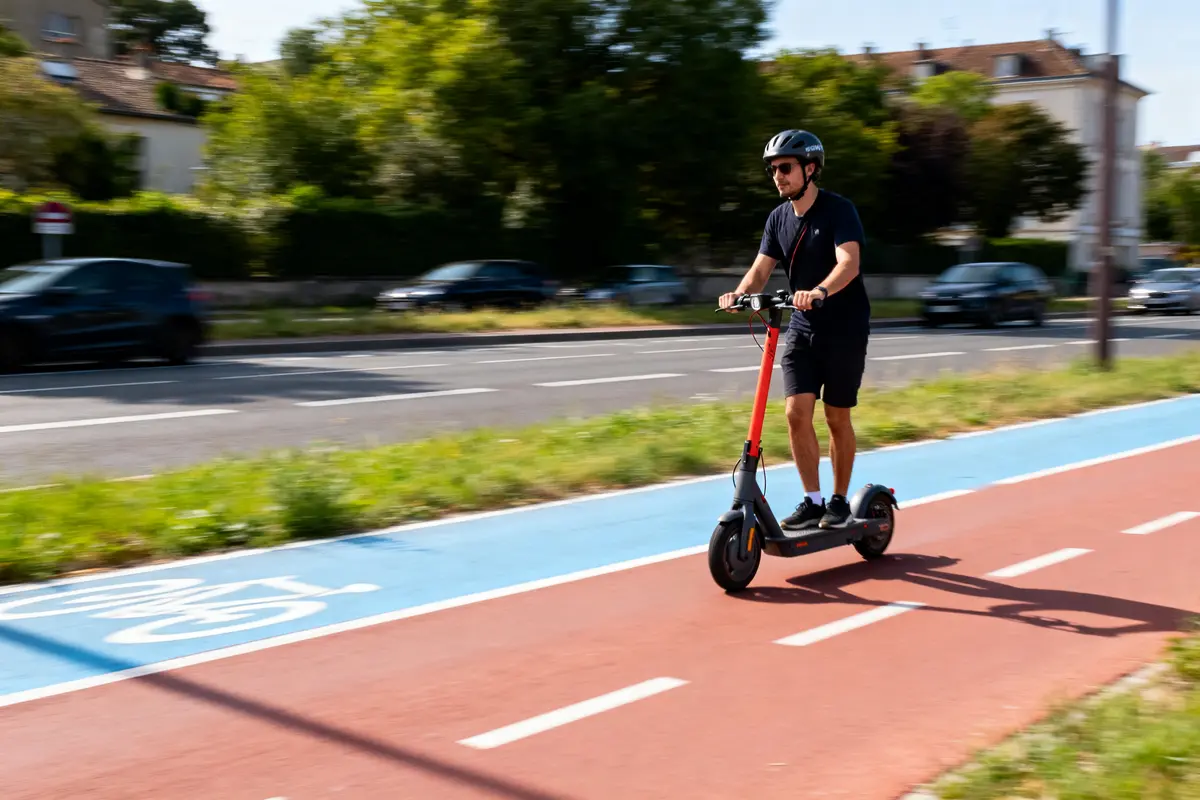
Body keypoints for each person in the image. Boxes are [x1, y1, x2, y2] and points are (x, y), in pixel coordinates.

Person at [718, 129, 872, 530]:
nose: (778, 176)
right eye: (773, 170)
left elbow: (849, 263)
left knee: (837, 417)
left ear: (810, 168)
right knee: (795, 412)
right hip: (802, 328)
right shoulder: (778, 218)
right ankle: (813, 501)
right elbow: (760, 270)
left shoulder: (839, 211)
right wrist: (737, 294)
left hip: (844, 326)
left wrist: (820, 290)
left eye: (785, 168)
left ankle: (839, 500)